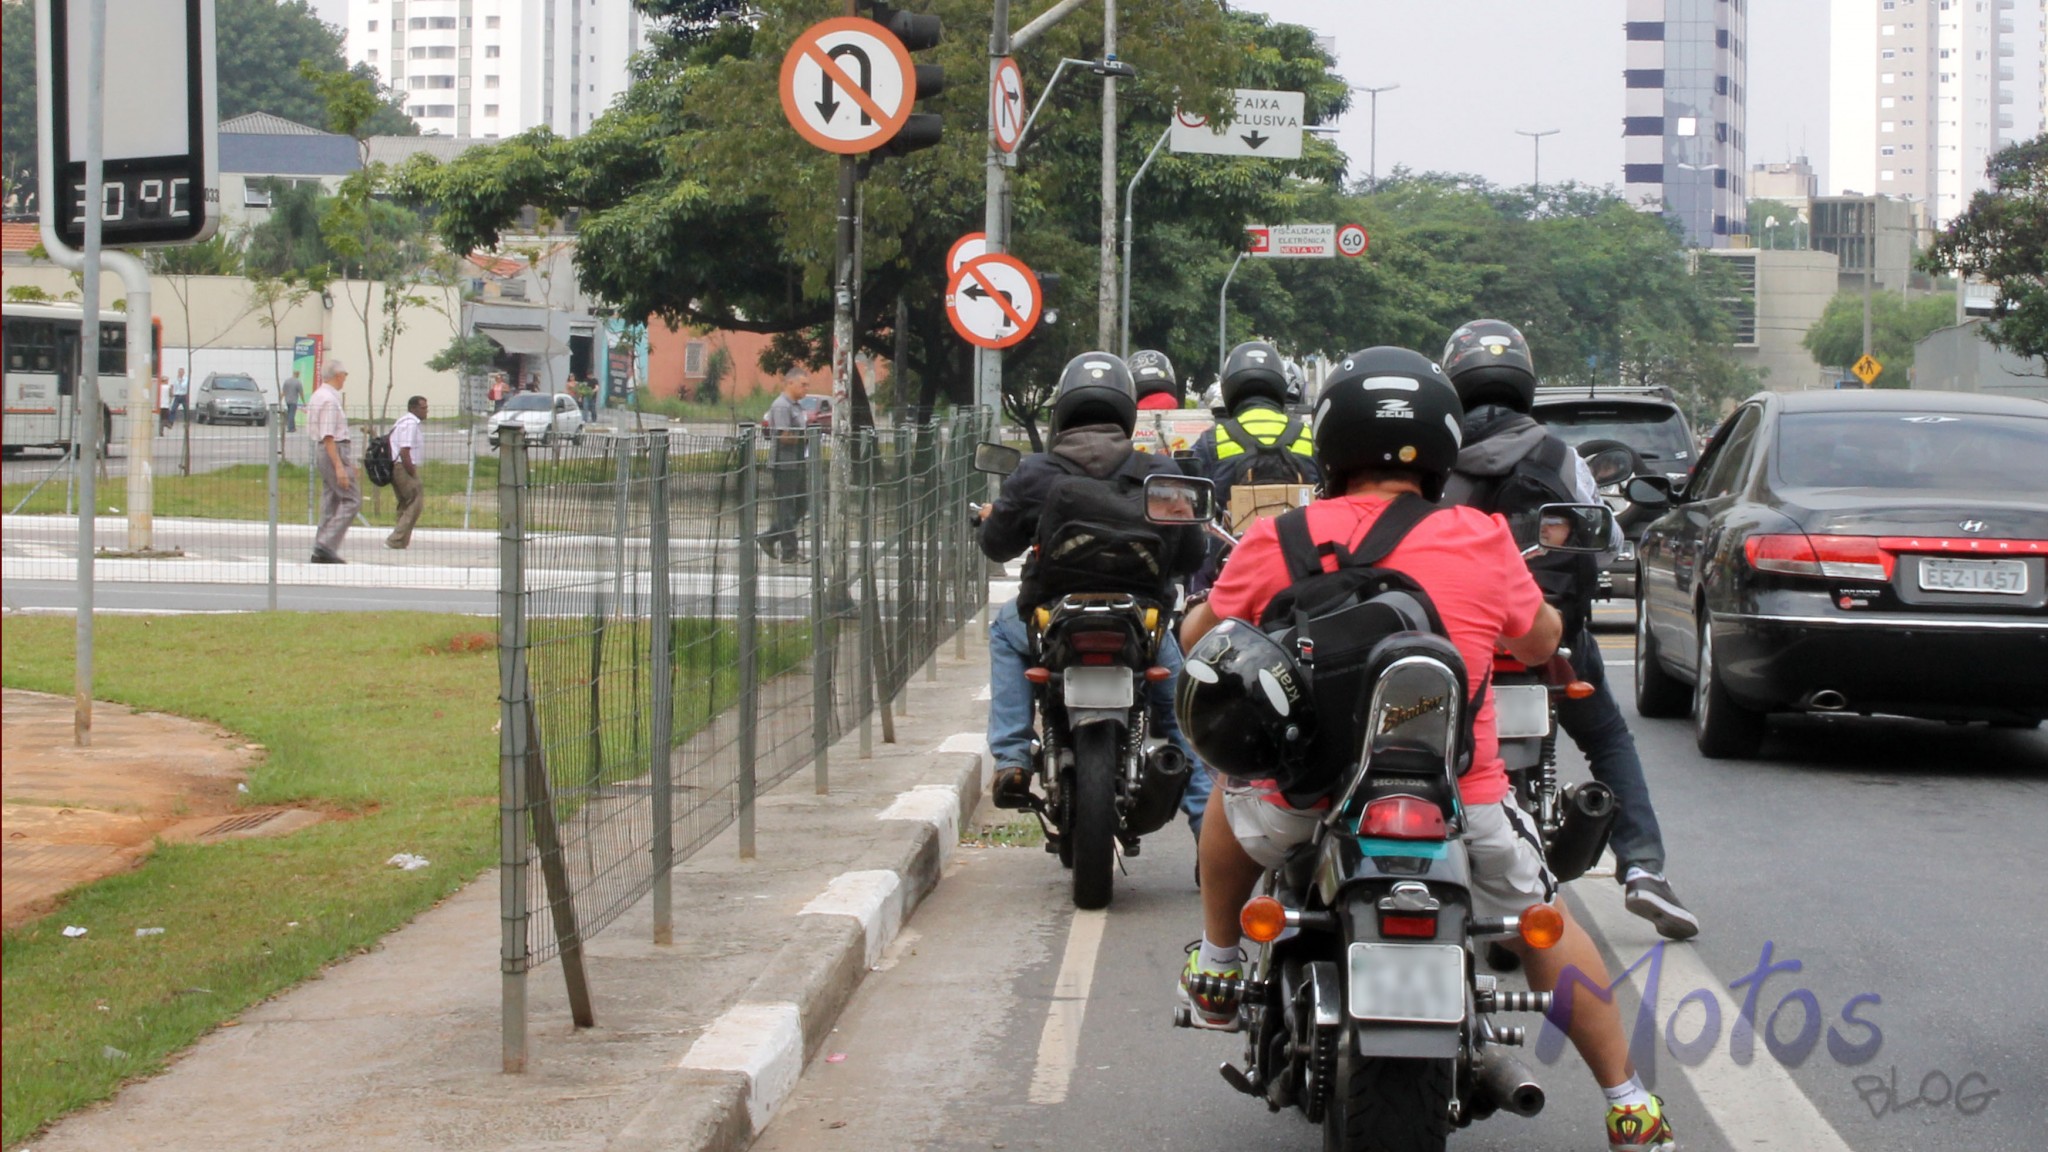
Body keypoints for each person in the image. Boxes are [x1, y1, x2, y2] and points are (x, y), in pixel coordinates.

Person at [1175, 346, 1677, 1150]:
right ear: (1441, 450)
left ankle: (1220, 964)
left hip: (1306, 800)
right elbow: (1543, 634)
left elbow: (1203, 634)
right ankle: (1629, 1102)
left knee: (1231, 803)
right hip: (1459, 802)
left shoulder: (1279, 539)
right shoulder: (1480, 538)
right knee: (1543, 919)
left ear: (1330, 446)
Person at [1438, 319, 1698, 941]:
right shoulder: (1561, 458)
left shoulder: (1432, 459)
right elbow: (1600, 544)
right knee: (1607, 737)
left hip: (1455, 642)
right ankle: (1643, 870)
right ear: (1525, 385)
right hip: (1546, 640)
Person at [975, 352, 1207, 808]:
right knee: (1185, 727)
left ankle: (1012, 759)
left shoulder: (1034, 473)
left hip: (1049, 618)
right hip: (1141, 622)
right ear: (1126, 410)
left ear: (1063, 411)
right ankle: (1206, 834)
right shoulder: (1159, 473)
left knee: (1004, 634)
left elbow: (996, 547)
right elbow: (1193, 555)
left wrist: (994, 520)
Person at [1177, 341, 1321, 839]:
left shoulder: (1214, 439)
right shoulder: (1305, 435)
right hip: (1303, 573)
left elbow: (1194, 505)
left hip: (1233, 578)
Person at [307, 359, 359, 564]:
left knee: (331, 500)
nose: (345, 378)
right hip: (333, 449)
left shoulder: (318, 396)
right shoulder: (329, 400)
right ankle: (326, 544)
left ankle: (320, 547)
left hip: (328, 450)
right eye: (344, 374)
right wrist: (340, 466)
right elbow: (329, 436)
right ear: (338, 375)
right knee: (352, 499)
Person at [759, 369, 810, 563]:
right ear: (790, 383)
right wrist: (806, 437)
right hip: (784, 463)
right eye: (803, 384)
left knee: (801, 507)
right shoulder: (781, 406)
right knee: (787, 509)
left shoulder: (796, 406)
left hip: (797, 462)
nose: (806, 389)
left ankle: (769, 537)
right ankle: (789, 551)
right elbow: (784, 436)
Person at [386, 395, 427, 550]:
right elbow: (405, 451)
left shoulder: (402, 422)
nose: (426, 411)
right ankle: (395, 540)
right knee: (415, 502)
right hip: (403, 467)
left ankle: (401, 541)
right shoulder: (410, 424)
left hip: (397, 466)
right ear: (413, 409)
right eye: (423, 408)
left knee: (405, 503)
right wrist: (412, 472)